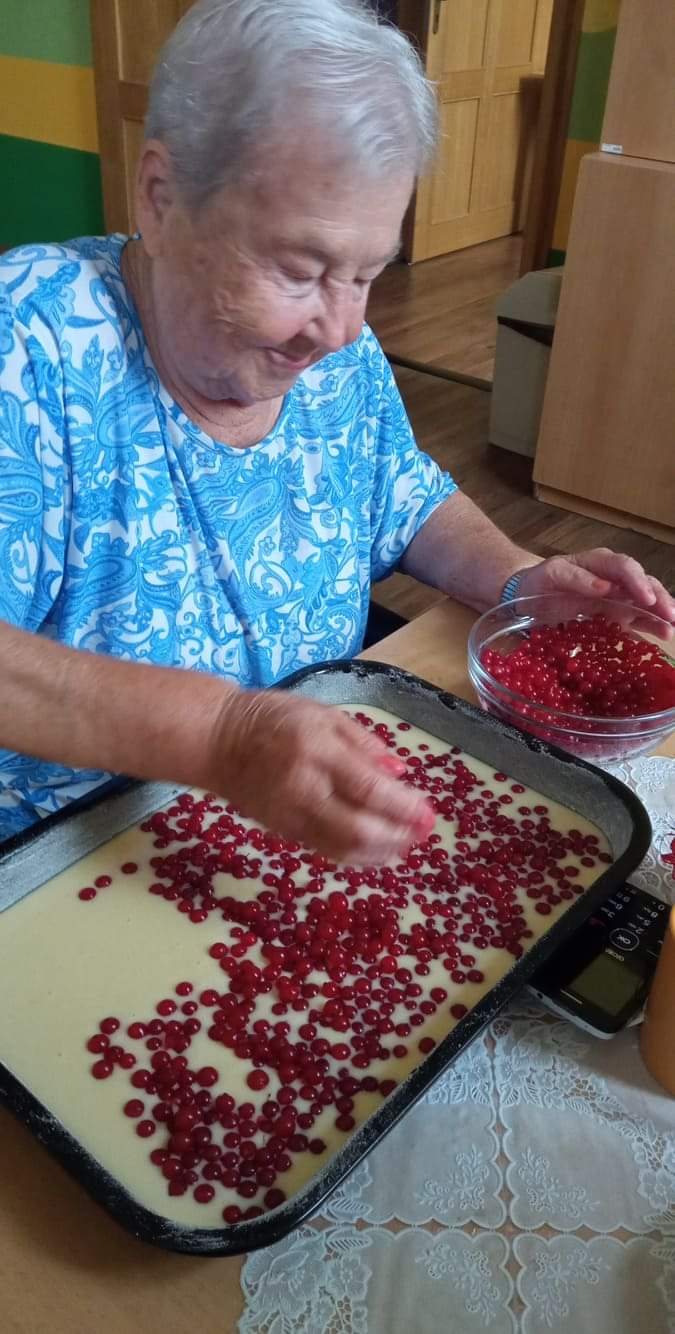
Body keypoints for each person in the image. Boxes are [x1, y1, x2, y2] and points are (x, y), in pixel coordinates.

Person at [0, 0, 672, 861]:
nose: (341, 327)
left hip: (302, 822)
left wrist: (520, 582)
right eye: (300, 269)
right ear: (161, 199)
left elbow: (403, 497)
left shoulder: (338, 355)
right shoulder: (31, 348)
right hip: (66, 856)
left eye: (366, 274)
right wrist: (221, 735)